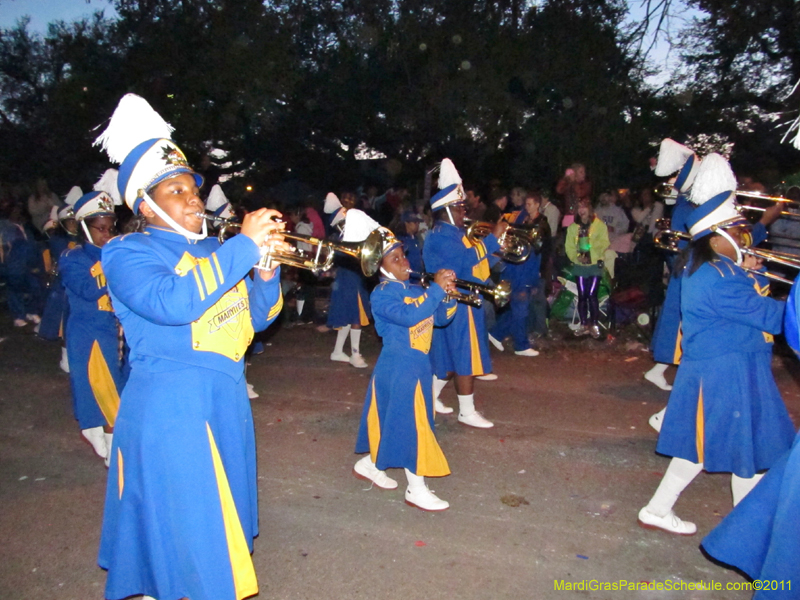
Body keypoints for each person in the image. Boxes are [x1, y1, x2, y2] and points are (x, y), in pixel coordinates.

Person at [94, 93, 286, 600]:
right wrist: (243, 249)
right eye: (176, 191)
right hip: (170, 412)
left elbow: (257, 321)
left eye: (193, 188)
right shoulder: (126, 252)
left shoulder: (216, 251)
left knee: (207, 529)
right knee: (191, 533)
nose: (193, 198)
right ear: (145, 204)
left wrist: (265, 274)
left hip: (223, 403)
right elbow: (173, 302)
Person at [637, 154, 795, 536]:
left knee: (707, 449)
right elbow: (774, 319)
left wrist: (751, 273)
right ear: (719, 235)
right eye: (739, 230)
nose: (746, 236)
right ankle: (750, 530)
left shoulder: (714, 268)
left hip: (726, 368)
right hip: (725, 372)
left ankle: (659, 509)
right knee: (747, 453)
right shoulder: (721, 277)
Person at [349, 210, 457, 510]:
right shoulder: (382, 295)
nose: (405, 262)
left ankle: (371, 464)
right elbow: (410, 317)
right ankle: (416, 488)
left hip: (416, 366)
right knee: (413, 426)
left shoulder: (414, 289)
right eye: (395, 260)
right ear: (380, 268)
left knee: (394, 421)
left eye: (404, 256)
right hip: (398, 367)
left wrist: (448, 297)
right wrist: (435, 290)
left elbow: (439, 320)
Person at [423, 159, 507, 428]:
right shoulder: (441, 236)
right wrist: (492, 239)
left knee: (448, 358)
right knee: (465, 357)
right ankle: (466, 411)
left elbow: (473, 263)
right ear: (445, 209)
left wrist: (495, 250)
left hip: (459, 300)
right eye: (459, 208)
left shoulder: (454, 233)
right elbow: (459, 265)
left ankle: (429, 398)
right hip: (456, 303)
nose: (464, 212)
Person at [60, 187, 126, 465]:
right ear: (85, 228)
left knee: (117, 387)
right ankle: (112, 450)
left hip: (112, 331)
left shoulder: (114, 252)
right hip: (88, 333)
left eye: (110, 228)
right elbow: (88, 289)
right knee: (105, 390)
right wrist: (112, 265)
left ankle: (99, 432)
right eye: (100, 228)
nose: (107, 234)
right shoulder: (74, 257)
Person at [488, 191, 543, 356]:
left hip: (526, 269)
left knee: (518, 309)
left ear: (538, 205)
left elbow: (539, 251)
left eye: (530, 204)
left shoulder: (541, 222)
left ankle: (496, 333)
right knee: (520, 308)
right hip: (515, 270)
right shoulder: (516, 218)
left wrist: (535, 276)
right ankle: (521, 345)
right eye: (526, 203)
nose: (527, 206)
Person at [326, 191, 372, 368]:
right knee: (355, 317)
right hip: (349, 280)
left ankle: (337, 351)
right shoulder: (342, 238)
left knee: (349, 315)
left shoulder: (348, 236)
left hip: (352, 279)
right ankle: (355, 354)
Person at [565, 198, 610, 338]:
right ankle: (584, 324)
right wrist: (576, 257)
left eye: (584, 207)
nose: (581, 210)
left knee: (592, 294)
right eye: (579, 207)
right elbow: (569, 246)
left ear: (590, 209)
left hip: (595, 265)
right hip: (580, 266)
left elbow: (605, 242)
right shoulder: (573, 227)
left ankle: (594, 324)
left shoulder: (600, 225)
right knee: (582, 295)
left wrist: (591, 246)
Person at [556, 163, 592, 228]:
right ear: (574, 173)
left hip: (582, 215)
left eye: (584, 172)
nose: (584, 174)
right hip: (569, 216)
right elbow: (559, 190)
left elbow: (580, 193)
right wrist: (566, 179)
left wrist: (573, 182)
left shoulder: (586, 184)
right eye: (581, 172)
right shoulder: (568, 183)